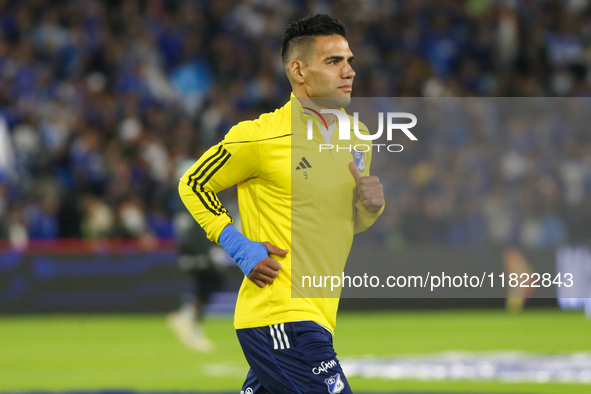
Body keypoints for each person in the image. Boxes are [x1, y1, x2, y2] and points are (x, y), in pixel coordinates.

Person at [179, 14, 384, 394]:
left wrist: (369, 208)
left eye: (350, 60)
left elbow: (346, 223)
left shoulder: (358, 138)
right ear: (298, 70)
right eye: (334, 61)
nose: (349, 71)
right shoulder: (260, 137)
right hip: (281, 315)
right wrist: (239, 246)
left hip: (319, 315)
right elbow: (193, 184)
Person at [167, 211, 225, 352]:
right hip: (200, 257)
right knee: (209, 285)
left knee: (206, 289)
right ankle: (188, 320)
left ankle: (188, 319)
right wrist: (205, 253)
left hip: (196, 257)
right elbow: (190, 236)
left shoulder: (189, 213)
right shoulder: (195, 214)